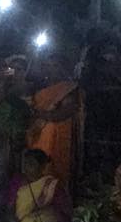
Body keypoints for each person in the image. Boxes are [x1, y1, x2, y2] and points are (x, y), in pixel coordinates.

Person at [27, 54, 81, 190]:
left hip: (57, 135)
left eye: (55, 66)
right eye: (48, 66)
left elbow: (66, 111)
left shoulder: (67, 88)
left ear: (63, 67)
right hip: (38, 135)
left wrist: (42, 114)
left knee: (53, 169)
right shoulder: (40, 87)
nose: (51, 70)